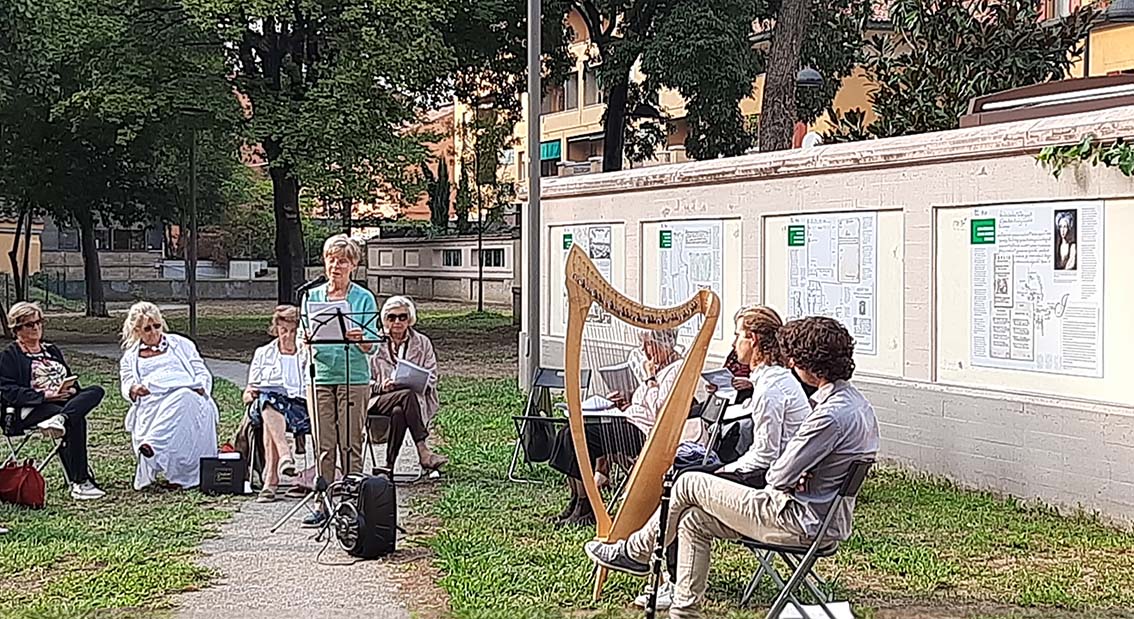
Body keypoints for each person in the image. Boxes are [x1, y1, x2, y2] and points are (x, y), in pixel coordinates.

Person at [584, 316, 880, 619]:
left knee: (687, 482)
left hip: (795, 519)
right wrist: (803, 471)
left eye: (794, 358)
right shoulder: (857, 405)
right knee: (693, 520)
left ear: (807, 362)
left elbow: (777, 475)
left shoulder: (827, 416)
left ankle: (635, 552)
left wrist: (794, 472)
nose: (790, 363)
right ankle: (683, 613)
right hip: (821, 517)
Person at [636, 304, 811, 609]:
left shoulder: (771, 388)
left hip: (773, 487)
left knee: (683, 480)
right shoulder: (774, 380)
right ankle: (672, 583)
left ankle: (640, 552)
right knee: (690, 503)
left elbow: (766, 456)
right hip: (776, 476)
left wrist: (725, 471)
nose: (733, 343)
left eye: (737, 335)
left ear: (753, 339)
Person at [548, 328, 699, 527]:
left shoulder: (676, 369)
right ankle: (576, 499)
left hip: (647, 434)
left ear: (665, 345)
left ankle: (586, 505)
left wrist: (650, 380)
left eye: (648, 344)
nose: (644, 350)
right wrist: (625, 402)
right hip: (629, 420)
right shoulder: (657, 366)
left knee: (578, 437)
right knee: (568, 432)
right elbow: (644, 404)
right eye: (643, 344)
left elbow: (662, 411)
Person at [300, 234, 379, 527]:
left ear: (353, 265)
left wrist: (360, 338)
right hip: (320, 375)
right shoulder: (311, 296)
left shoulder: (363, 298)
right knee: (324, 442)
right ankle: (323, 502)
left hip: (353, 377)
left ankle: (351, 501)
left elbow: (373, 345)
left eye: (343, 261)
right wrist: (306, 338)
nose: (336, 266)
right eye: (331, 260)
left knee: (351, 441)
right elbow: (303, 336)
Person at [0, 302, 105, 500]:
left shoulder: (51, 350)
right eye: (30, 324)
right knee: (76, 419)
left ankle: (61, 419)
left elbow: (68, 376)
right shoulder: (9, 356)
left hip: (62, 402)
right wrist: (44, 396)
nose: (36, 327)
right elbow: (8, 391)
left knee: (95, 391)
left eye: (39, 322)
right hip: (30, 409)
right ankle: (80, 481)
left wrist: (71, 389)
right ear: (17, 328)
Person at [119, 302, 219, 490]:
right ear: (137, 331)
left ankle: (153, 444)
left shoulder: (181, 344)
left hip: (189, 394)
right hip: (154, 401)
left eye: (157, 326)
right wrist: (134, 389)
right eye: (147, 329)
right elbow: (127, 383)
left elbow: (201, 371)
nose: (154, 332)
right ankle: (155, 448)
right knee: (179, 400)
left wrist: (201, 387)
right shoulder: (130, 358)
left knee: (184, 396)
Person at [368, 295, 447, 473]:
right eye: (392, 317)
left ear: (409, 319)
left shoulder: (422, 342)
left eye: (402, 317)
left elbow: (432, 376)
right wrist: (381, 386)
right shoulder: (373, 343)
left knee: (400, 410)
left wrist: (418, 381)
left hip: (412, 401)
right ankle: (423, 450)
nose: (397, 322)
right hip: (378, 399)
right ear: (385, 320)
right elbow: (363, 379)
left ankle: (389, 465)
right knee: (406, 396)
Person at [244, 305, 311, 502]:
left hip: (299, 409)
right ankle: (284, 454)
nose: (288, 336)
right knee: (268, 398)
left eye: (293, 331)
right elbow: (247, 393)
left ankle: (271, 480)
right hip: (265, 405)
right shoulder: (263, 353)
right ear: (276, 330)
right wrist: (251, 394)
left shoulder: (307, 353)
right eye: (283, 330)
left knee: (270, 416)